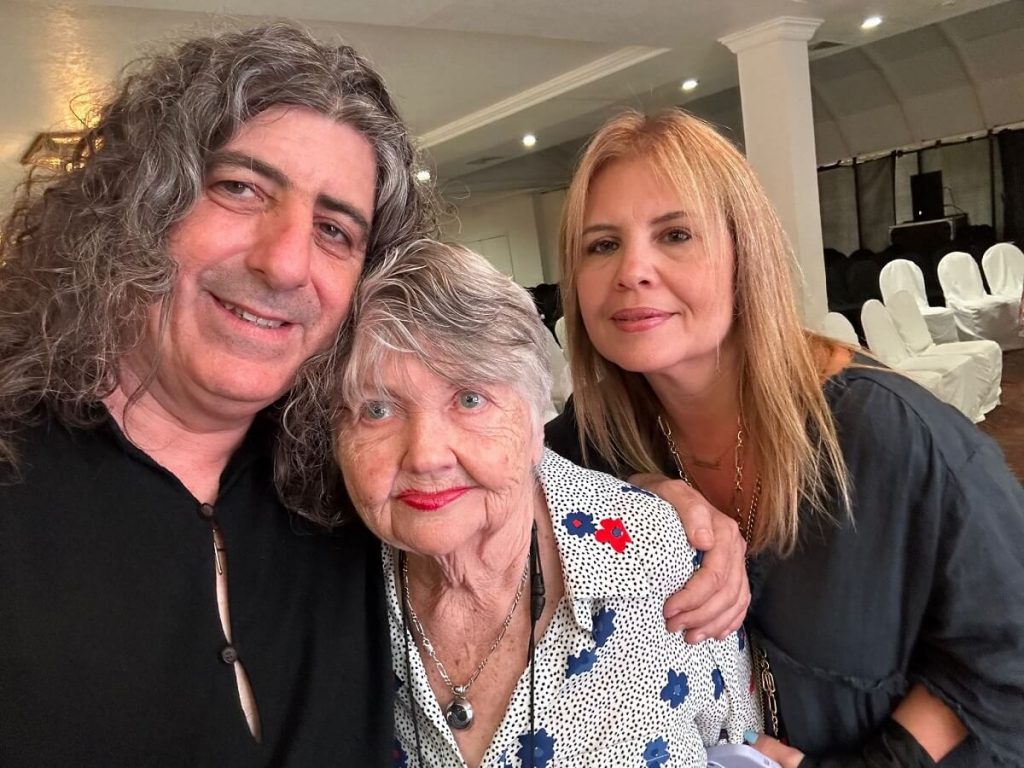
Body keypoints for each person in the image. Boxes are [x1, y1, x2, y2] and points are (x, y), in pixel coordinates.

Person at [0, 23, 431, 766]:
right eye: (240, 188)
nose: (287, 263)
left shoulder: (361, 491)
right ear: (138, 208)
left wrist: (645, 493)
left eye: (335, 230)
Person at [545, 109, 1024, 767]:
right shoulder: (590, 439)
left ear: (746, 255)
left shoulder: (890, 435)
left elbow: (1006, 657)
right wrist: (646, 489)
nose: (633, 270)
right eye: (602, 245)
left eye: (675, 234)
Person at [331, 238, 762, 767]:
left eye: (470, 399)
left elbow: (740, 746)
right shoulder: (321, 589)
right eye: (376, 409)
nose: (425, 455)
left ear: (537, 420)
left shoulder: (655, 554)